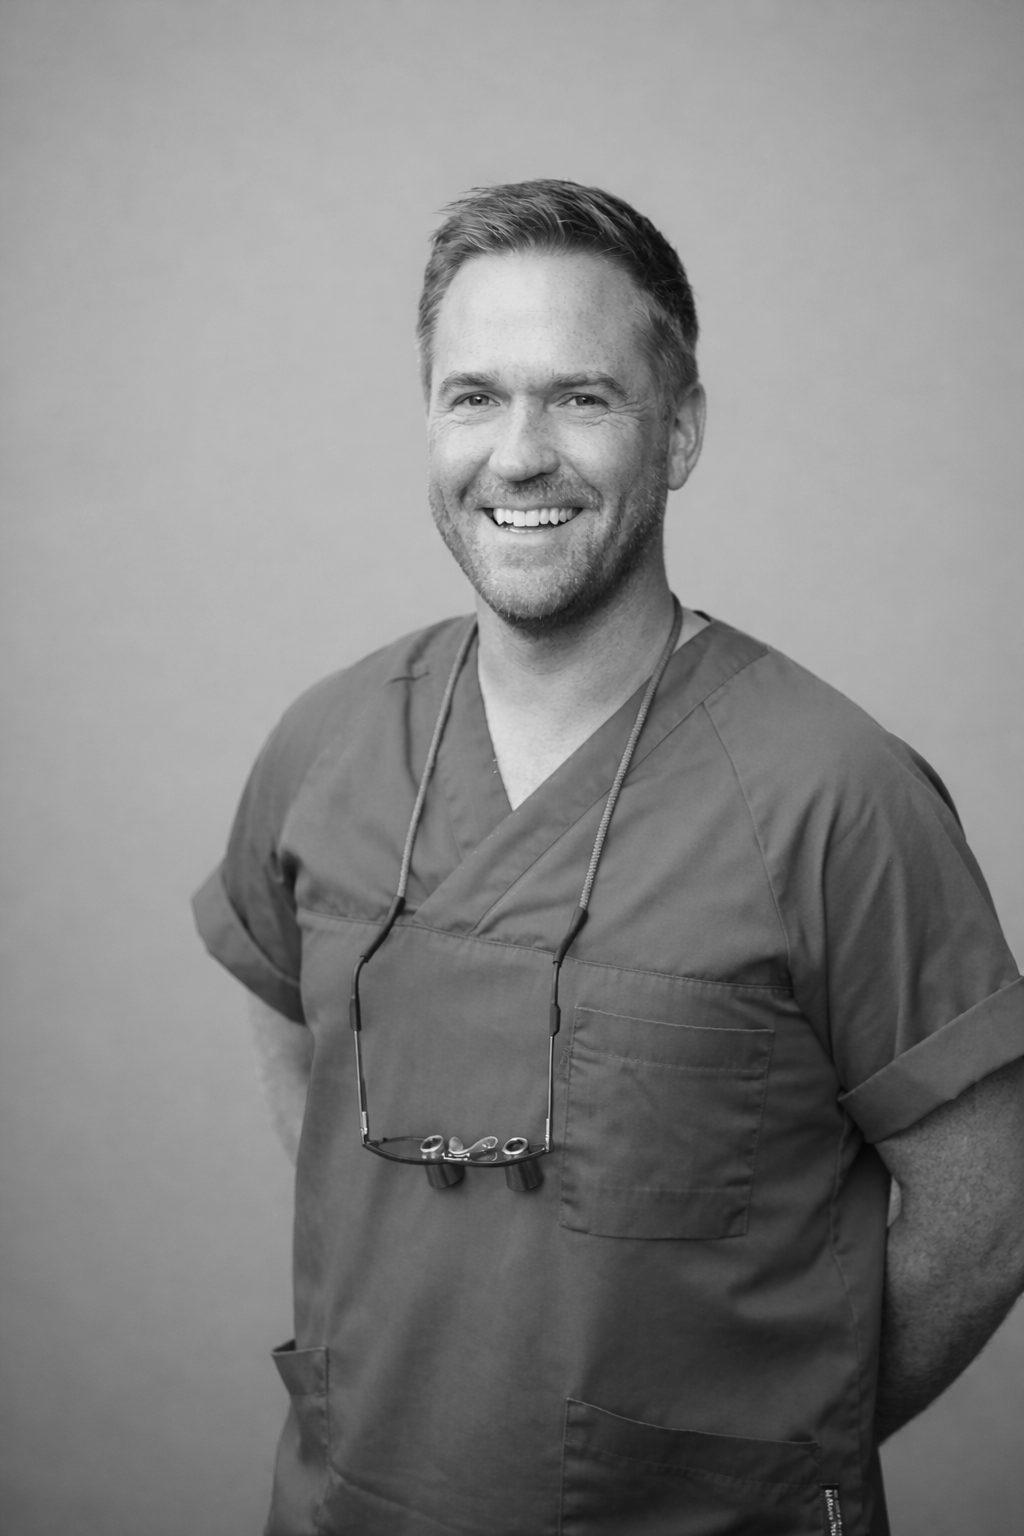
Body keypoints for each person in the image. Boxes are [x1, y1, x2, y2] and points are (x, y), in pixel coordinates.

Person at [193, 180, 1024, 1536]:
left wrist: (765, 1450)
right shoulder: (326, 745)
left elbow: (988, 1217)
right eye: (473, 397)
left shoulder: (836, 795)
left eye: (579, 397)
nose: (518, 453)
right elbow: (300, 1050)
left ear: (680, 429)